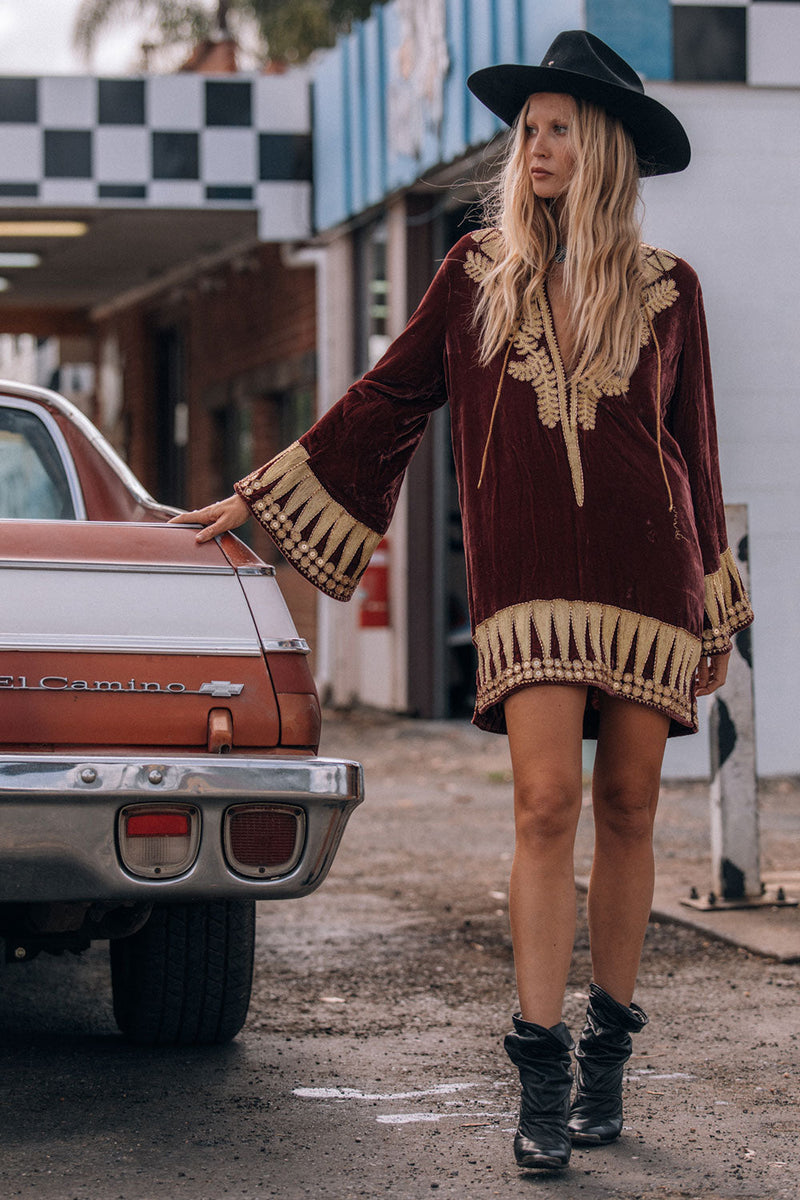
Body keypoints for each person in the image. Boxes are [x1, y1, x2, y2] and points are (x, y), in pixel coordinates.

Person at [172, 30, 753, 1172]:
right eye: (525, 129)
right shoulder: (472, 274)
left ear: (602, 148)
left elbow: (694, 453)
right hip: (529, 584)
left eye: (554, 129)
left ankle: (608, 1056)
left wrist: (716, 609)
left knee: (629, 805)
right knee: (544, 805)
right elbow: (386, 397)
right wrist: (258, 494)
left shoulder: (668, 287)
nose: (532, 146)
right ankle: (537, 1066)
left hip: (651, 575)